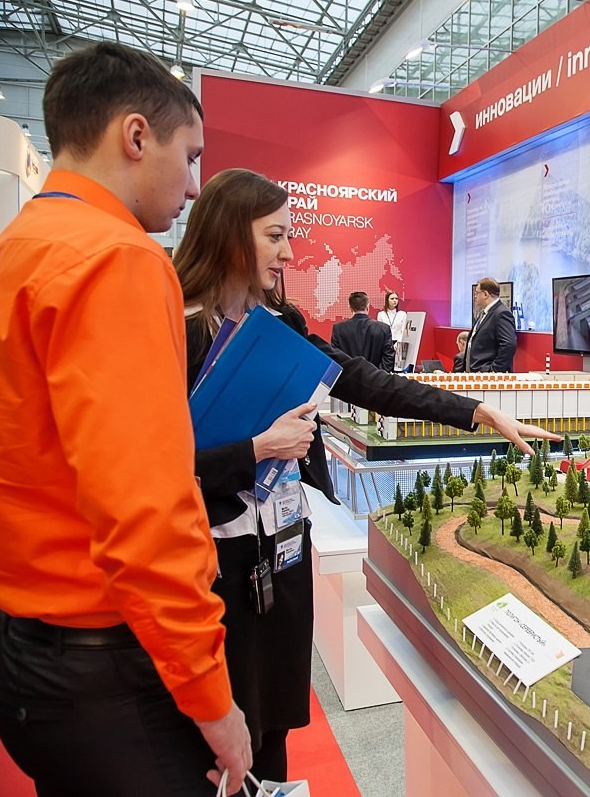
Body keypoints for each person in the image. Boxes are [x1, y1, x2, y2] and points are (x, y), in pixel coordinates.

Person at [174, 168, 559, 782]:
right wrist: (256, 449)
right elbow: (155, 472)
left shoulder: (279, 324)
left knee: (274, 729)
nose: (289, 253)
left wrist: (477, 411)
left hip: (284, 554)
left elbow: (366, 382)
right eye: (275, 235)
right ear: (228, 234)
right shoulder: (177, 332)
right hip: (213, 566)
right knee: (218, 748)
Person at [0, 42, 250, 795]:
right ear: (136, 136)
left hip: (22, 645)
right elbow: (144, 510)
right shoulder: (118, 259)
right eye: (190, 156)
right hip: (107, 661)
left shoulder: (16, 249)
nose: (196, 186)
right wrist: (212, 699)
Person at [330, 291, 396, 370]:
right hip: (376, 376)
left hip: (349, 376)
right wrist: (378, 375)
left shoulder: (339, 329)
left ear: (350, 308)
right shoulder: (383, 329)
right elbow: (389, 358)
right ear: (368, 306)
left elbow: (336, 358)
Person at [464, 277, 517, 372]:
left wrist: (493, 370)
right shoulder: (484, 313)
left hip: (488, 375)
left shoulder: (501, 313)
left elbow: (509, 344)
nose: (475, 296)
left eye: (477, 293)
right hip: (476, 373)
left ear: (485, 294)